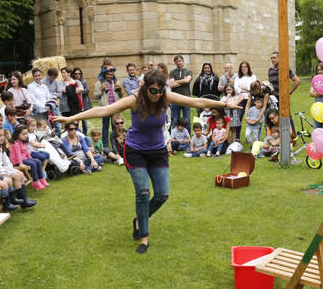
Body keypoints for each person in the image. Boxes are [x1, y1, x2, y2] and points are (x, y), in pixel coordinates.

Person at [53, 69, 238, 253]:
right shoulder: (134, 100)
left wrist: (224, 103)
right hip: (135, 151)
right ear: (145, 88)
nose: (157, 95)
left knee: (162, 195)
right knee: (142, 192)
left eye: (160, 91)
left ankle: (139, 220)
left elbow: (196, 101)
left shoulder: (165, 97)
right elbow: (104, 110)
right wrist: (71, 118)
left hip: (157, 151)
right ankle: (144, 235)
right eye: (153, 91)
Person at [93, 64, 123, 149]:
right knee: (105, 128)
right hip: (105, 109)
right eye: (108, 74)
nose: (110, 76)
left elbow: (121, 95)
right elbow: (95, 97)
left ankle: (116, 146)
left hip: (115, 109)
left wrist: (120, 89)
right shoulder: (100, 83)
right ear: (105, 75)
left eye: (111, 74)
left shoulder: (116, 82)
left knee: (116, 128)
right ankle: (105, 146)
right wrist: (101, 90)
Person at [10, 125, 49, 190]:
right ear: (17, 134)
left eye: (26, 134)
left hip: (24, 159)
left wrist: (31, 158)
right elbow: (18, 154)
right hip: (17, 161)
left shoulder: (23, 142)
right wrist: (21, 163)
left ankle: (41, 178)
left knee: (38, 161)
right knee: (33, 164)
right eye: (23, 134)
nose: (25, 136)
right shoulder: (16, 143)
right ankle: (35, 181)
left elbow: (26, 152)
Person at [168, 55, 193, 134]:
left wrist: (177, 81)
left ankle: (187, 137)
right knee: (175, 119)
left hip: (186, 98)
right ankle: (175, 137)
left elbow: (187, 81)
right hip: (175, 99)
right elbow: (171, 84)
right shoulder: (172, 72)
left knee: (187, 119)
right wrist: (183, 80)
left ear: (182, 61)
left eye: (179, 61)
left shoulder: (188, 71)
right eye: (176, 62)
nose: (178, 63)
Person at [309, 62, 323, 128]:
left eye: (321, 69)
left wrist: (315, 93)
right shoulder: (316, 80)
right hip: (317, 107)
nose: (319, 71)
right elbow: (310, 93)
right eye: (318, 70)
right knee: (317, 127)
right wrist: (317, 93)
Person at [71, 67, 92, 134]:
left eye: (79, 74)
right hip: (75, 105)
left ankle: (84, 135)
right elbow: (71, 93)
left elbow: (87, 90)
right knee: (76, 122)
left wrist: (79, 92)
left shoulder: (83, 81)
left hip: (84, 104)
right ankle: (77, 134)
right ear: (73, 74)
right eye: (76, 74)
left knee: (84, 122)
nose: (77, 75)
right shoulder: (72, 82)